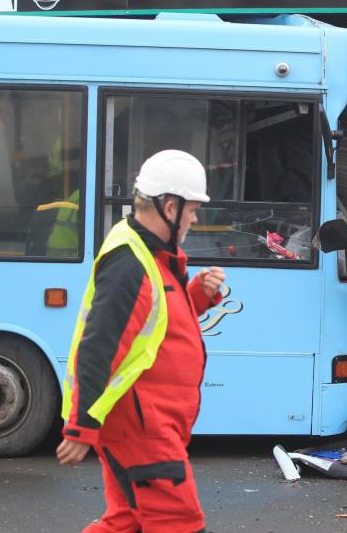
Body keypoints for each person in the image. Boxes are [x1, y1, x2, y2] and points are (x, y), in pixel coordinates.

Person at [56, 149, 226, 533]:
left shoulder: (152, 254)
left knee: (126, 523)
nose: (195, 220)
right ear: (169, 205)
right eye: (192, 210)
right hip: (140, 424)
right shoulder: (130, 263)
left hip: (148, 419)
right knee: (178, 521)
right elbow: (99, 345)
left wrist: (198, 294)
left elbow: (160, 321)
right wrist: (82, 426)